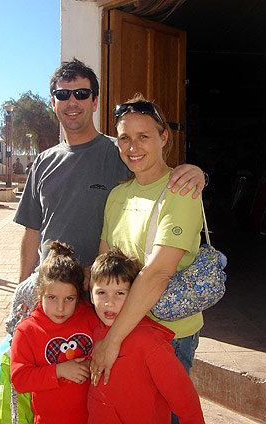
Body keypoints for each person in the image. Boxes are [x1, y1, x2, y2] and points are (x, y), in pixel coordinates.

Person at [6, 58, 206, 335]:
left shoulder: (121, 152)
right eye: (62, 94)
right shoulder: (42, 162)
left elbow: (159, 174)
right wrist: (21, 292)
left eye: (81, 93)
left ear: (95, 101)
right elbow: (31, 232)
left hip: (104, 301)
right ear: (53, 102)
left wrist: (197, 173)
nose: (72, 101)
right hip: (54, 298)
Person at [89, 94, 204, 424]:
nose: (133, 147)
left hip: (167, 335)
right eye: (124, 138)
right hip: (125, 329)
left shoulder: (180, 191)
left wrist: (111, 341)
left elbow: (157, 274)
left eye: (144, 136)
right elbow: (103, 266)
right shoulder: (118, 195)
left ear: (163, 137)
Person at [87, 247, 205, 424]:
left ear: (134, 296)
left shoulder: (149, 341)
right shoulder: (93, 329)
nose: (109, 302)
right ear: (91, 295)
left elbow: (184, 398)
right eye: (101, 293)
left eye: (120, 293)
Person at [10, 241, 99, 424]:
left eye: (69, 299)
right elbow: (20, 379)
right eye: (52, 298)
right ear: (39, 293)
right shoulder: (27, 331)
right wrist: (59, 371)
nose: (60, 308)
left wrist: (93, 364)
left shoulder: (91, 318)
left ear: (79, 296)